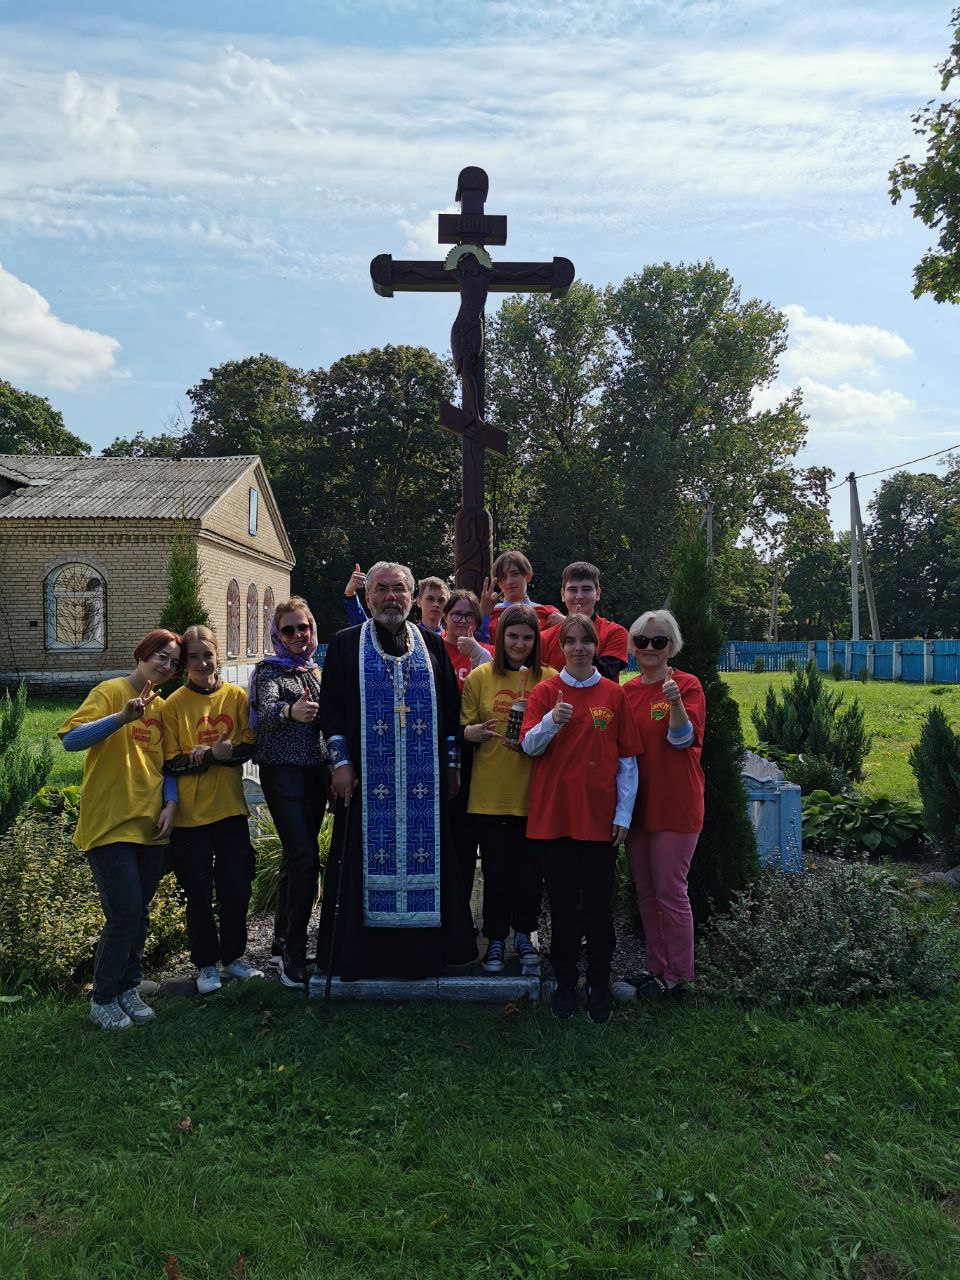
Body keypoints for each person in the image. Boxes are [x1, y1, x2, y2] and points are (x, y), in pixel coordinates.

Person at [316, 561, 477, 980]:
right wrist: (342, 763)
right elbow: (331, 713)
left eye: (399, 589)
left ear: (412, 595)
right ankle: (363, 957)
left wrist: (452, 765)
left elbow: (449, 713)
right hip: (368, 783)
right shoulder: (346, 644)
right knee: (359, 864)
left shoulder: (431, 646)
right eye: (382, 589)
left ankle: (424, 956)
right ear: (367, 597)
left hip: (423, 785)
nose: (391, 597)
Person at [58, 629, 182, 1030]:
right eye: (160, 656)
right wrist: (120, 718)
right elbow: (71, 741)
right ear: (143, 654)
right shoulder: (110, 691)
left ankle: (129, 987)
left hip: (149, 824)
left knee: (139, 914)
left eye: (173, 662)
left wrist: (170, 804)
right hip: (109, 821)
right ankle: (103, 997)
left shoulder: (160, 709)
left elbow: (165, 766)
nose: (166, 666)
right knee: (125, 912)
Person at [521, 614, 641, 1023]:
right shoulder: (546, 692)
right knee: (562, 908)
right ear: (561, 648)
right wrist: (552, 722)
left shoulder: (614, 694)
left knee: (599, 909)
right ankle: (566, 983)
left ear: (596, 647)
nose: (577, 648)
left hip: (599, 820)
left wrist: (624, 814)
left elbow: (627, 761)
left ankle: (600, 983)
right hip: (555, 820)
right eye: (570, 641)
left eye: (584, 641)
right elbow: (529, 747)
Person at [162, 625, 259, 996]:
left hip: (230, 811)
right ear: (185, 662)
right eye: (194, 657)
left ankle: (232, 958)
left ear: (218, 655)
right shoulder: (173, 706)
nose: (202, 663)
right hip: (190, 818)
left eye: (208, 655)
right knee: (198, 892)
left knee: (236, 886)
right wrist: (204, 758)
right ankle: (205, 964)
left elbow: (250, 745)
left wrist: (225, 755)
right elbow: (170, 762)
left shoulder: (236, 696)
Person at [461, 604, 558, 975]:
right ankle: (496, 939)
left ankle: (524, 934)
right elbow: (463, 728)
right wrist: (473, 733)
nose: (520, 643)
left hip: (536, 795)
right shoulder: (480, 677)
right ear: (501, 639)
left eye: (527, 637)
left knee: (530, 874)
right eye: (513, 636)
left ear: (536, 641)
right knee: (497, 872)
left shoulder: (550, 679)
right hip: (490, 794)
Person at [622, 609, 705, 1001]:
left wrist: (674, 704)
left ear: (671, 647)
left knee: (671, 891)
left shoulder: (686, 685)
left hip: (675, 805)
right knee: (645, 891)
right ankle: (656, 967)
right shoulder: (626, 691)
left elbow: (683, 740)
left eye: (658, 641)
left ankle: (679, 976)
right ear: (633, 647)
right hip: (637, 808)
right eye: (642, 641)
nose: (649, 648)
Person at [250, 595, 330, 990]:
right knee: (304, 857)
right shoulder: (269, 671)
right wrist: (288, 712)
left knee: (293, 858)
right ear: (277, 633)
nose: (298, 635)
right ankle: (294, 955)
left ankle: (282, 941)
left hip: (315, 772)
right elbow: (263, 712)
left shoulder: (316, 670)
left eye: (304, 627)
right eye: (289, 629)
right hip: (282, 774)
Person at [539, 561, 629, 681]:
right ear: (563, 594)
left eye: (586, 589)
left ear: (597, 594)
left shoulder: (615, 632)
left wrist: (580, 628)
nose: (579, 596)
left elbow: (605, 675)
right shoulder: (544, 638)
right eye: (573, 589)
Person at [343, 565, 449, 636]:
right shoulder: (409, 636)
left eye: (441, 600)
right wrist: (350, 595)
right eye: (430, 599)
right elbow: (364, 627)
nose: (436, 604)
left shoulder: (454, 641)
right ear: (417, 601)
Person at [481, 550, 556, 643]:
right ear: (499, 582)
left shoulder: (548, 613)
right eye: (503, 576)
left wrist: (566, 623)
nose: (509, 582)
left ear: (528, 576)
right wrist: (483, 615)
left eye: (515, 574)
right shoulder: (490, 614)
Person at [441, 589, 493, 690]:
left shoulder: (491, 652)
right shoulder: (432, 649)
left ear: (477, 621)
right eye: (457, 614)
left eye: (469, 615)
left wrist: (478, 653)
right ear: (445, 617)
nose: (463, 620)